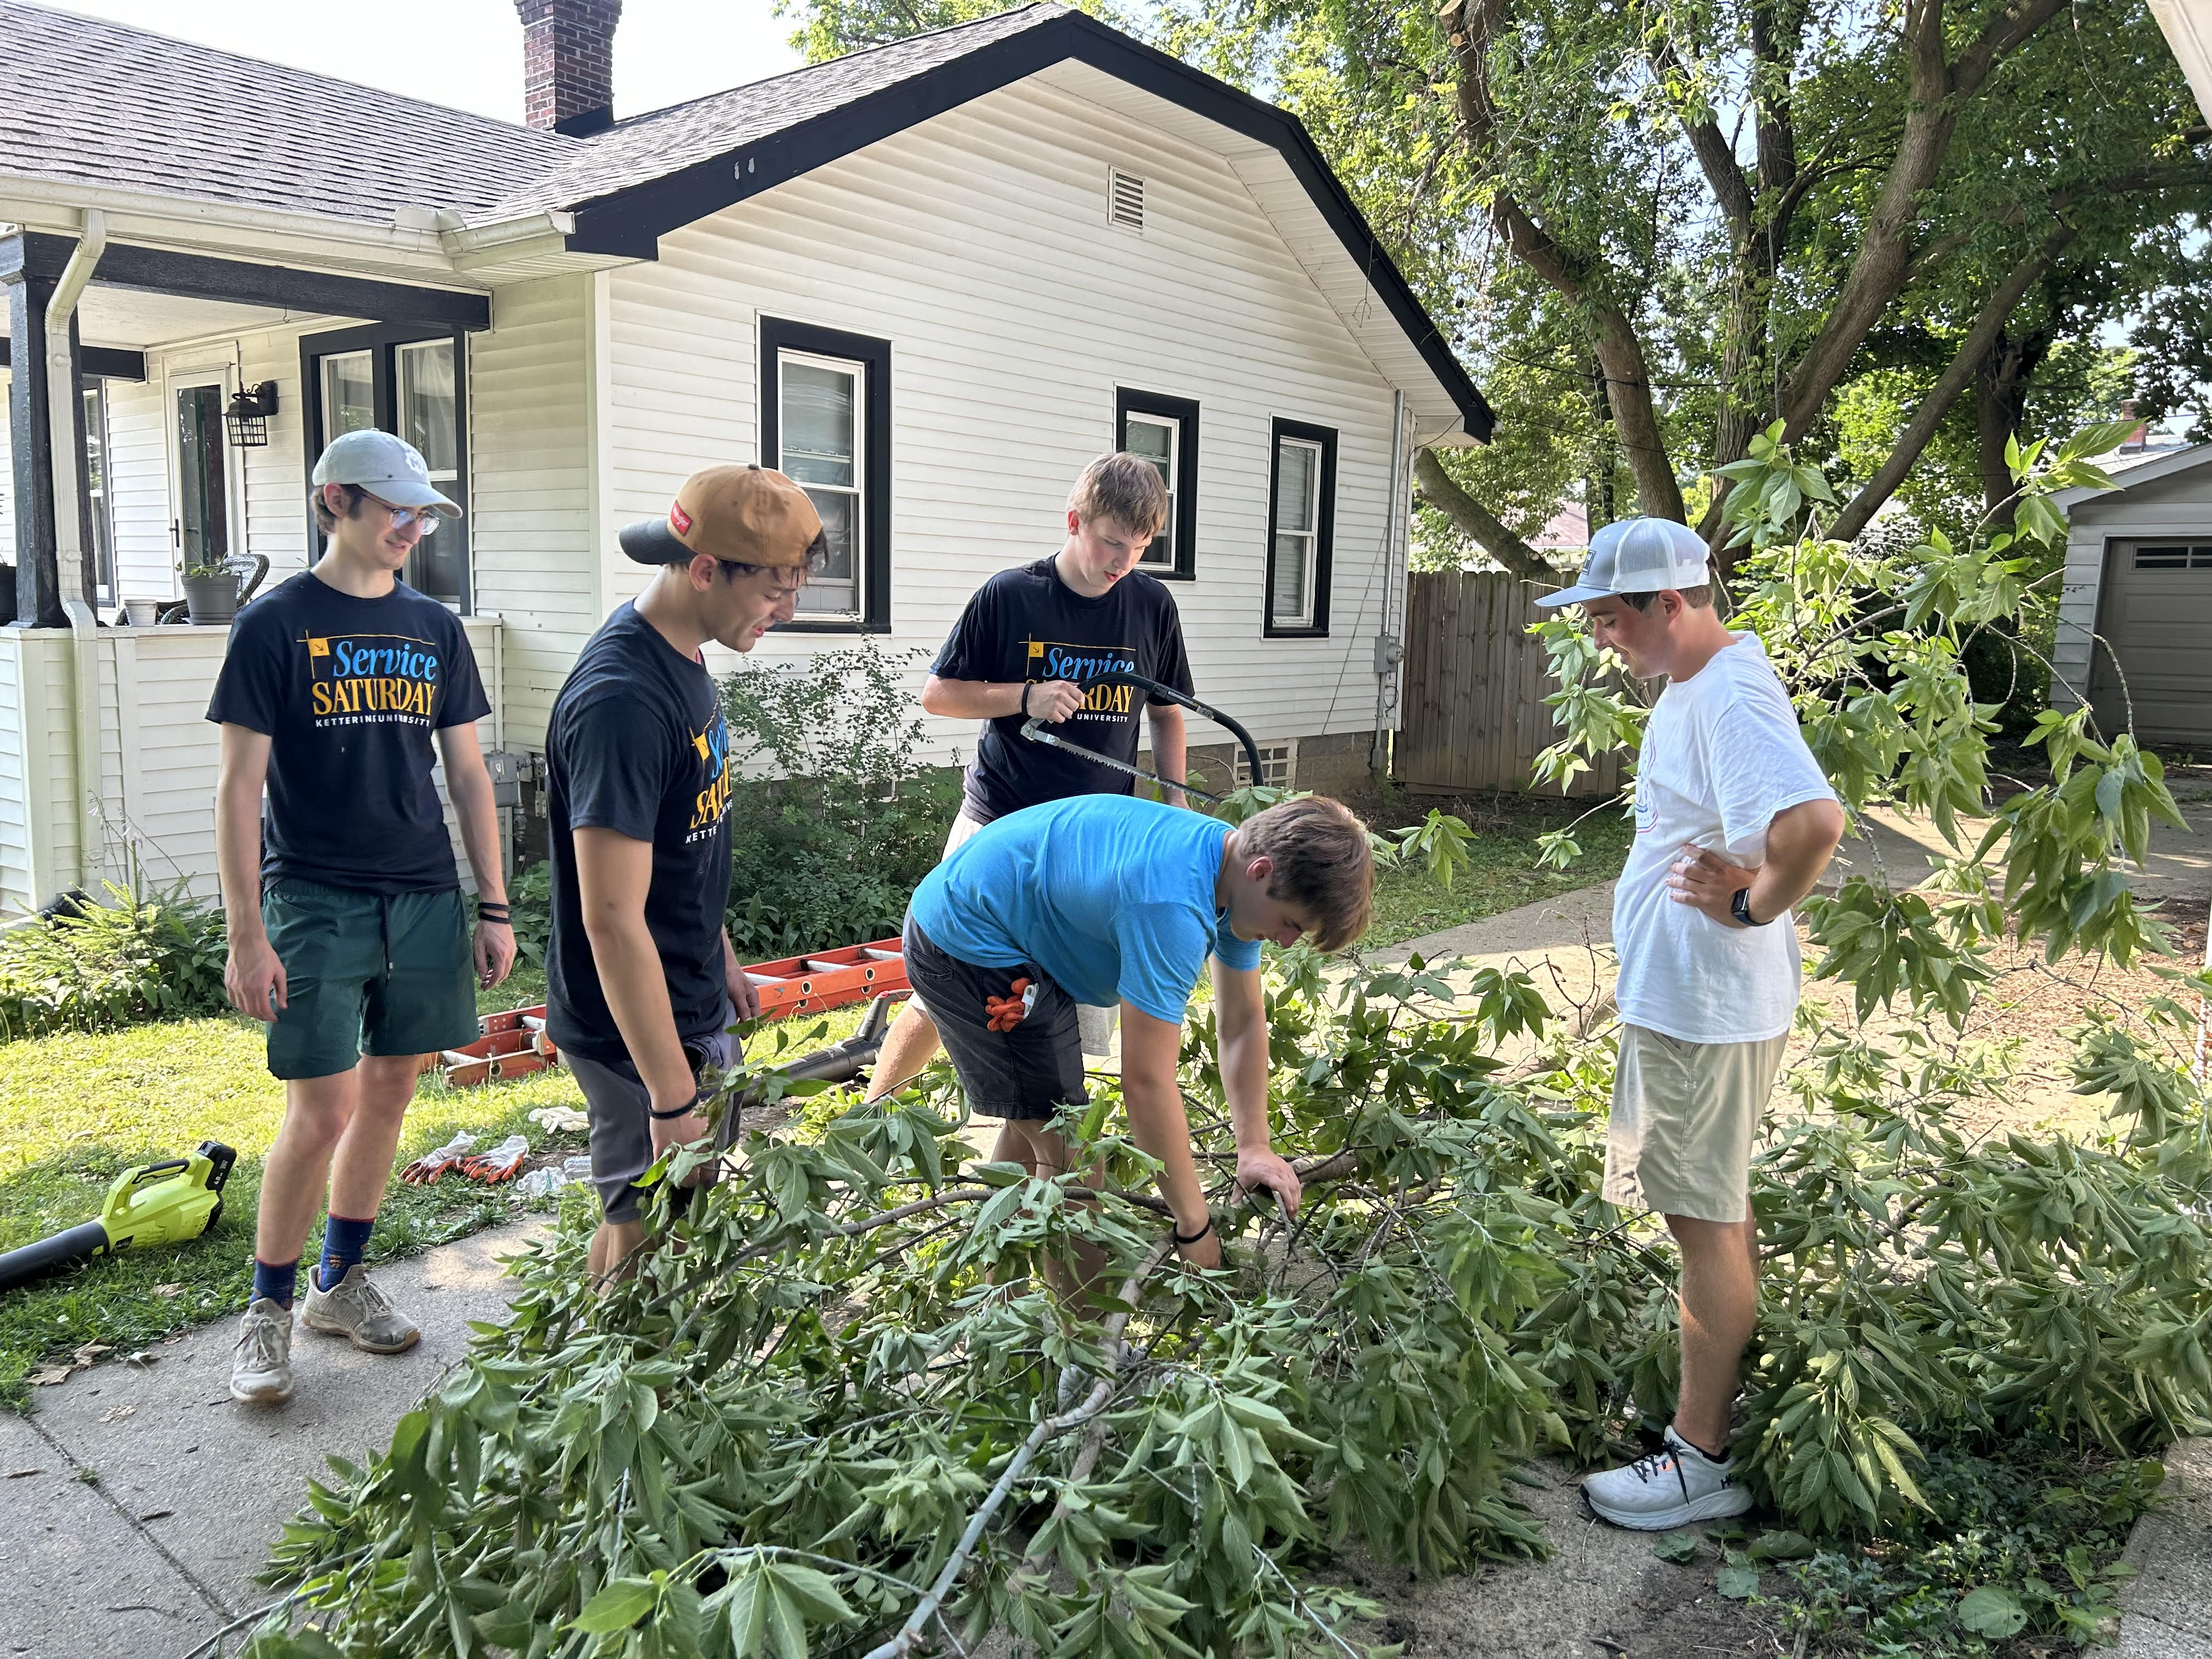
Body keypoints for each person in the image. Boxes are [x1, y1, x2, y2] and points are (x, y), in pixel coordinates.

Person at [1534, 517, 1846, 1529]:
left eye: (1611, 616)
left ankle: (1697, 1457)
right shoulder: (1695, 686)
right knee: (1709, 1212)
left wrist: (1751, 904)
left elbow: (1813, 825)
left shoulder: (1727, 692)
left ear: (1669, 602)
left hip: (1706, 1008)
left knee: (1701, 1223)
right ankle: (1698, 1412)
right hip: (1694, 1003)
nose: (1601, 637)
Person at [212, 428, 516, 1406]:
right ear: (333, 502)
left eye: (422, 511)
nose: (412, 527)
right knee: (322, 1108)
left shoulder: (435, 626)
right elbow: (237, 786)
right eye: (396, 508)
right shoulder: (272, 624)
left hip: (424, 893)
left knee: (390, 1095)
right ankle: (266, 1308)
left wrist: (493, 902)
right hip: (314, 894)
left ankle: (337, 1283)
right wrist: (246, 932)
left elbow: (468, 773)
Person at [899, 792, 1373, 1283]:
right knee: (1075, 1156)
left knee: (1039, 1125)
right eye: (1292, 924)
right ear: (1262, 871)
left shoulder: (1229, 871)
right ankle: (1081, 1349)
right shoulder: (1170, 907)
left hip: (1017, 924)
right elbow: (1146, 1080)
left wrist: (1254, 1146)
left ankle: (997, 1301)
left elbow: (1242, 1021)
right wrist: (1194, 1226)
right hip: (967, 939)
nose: (1287, 941)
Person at [545, 464, 828, 1285]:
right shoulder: (622, 700)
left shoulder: (683, 653)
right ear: (705, 570)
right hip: (633, 1029)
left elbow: (683, 839)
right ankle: (616, 1393)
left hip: (688, 992)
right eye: (776, 591)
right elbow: (609, 917)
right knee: (646, 1230)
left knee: (676, 1217)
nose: (788, 611)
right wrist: (671, 1098)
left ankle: (633, 1376)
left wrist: (723, 953)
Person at [865, 453, 1195, 1102]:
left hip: (1095, 847)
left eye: (1138, 547)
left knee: (1060, 1012)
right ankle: (872, 1117)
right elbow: (939, 695)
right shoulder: (1013, 594)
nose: (1121, 560)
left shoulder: (1152, 604)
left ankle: (1028, 1186)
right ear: (1075, 522)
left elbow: (1168, 713)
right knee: (949, 989)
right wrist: (1026, 697)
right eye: (1109, 542)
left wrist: (1175, 801)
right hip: (1001, 826)